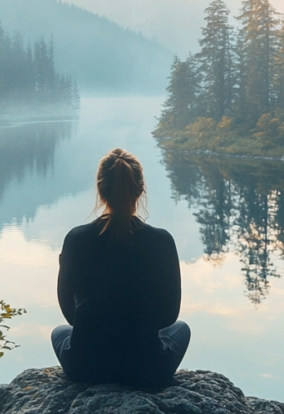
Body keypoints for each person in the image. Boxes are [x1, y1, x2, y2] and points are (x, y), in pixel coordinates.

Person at [51, 147, 190, 386]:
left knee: (59, 331)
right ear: (140, 190)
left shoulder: (76, 239)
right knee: (181, 328)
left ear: (100, 189)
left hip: (85, 368)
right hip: (147, 370)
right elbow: (169, 316)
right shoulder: (161, 240)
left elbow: (70, 316)